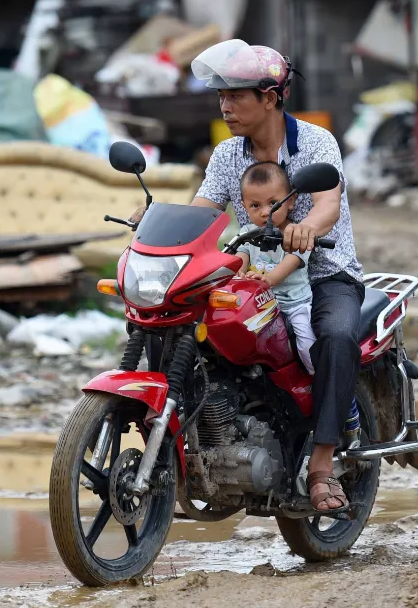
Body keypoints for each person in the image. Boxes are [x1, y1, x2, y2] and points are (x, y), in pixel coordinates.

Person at [132, 40, 362, 512]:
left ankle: (321, 465)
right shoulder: (226, 155)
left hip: (323, 276)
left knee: (336, 337)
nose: (225, 105)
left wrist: (304, 230)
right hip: (253, 276)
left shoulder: (316, 143)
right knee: (178, 325)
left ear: (271, 97)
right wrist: (158, 221)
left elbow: (328, 204)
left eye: (236, 95)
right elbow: (203, 211)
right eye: (221, 96)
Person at [235, 161, 317, 375]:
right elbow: (241, 254)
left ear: (290, 201)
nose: (264, 212)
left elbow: (290, 263)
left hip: (294, 303)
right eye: (255, 206)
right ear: (244, 206)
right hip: (261, 306)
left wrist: (268, 280)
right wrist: (238, 273)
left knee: (307, 345)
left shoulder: (297, 233)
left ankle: (322, 382)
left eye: (273, 203)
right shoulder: (248, 231)